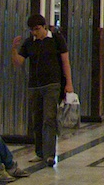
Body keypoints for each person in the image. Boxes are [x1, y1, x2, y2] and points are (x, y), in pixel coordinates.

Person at [11, 13, 73, 167]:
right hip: (34, 86)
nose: (35, 33)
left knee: (49, 119)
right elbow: (19, 62)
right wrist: (14, 49)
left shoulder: (57, 39)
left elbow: (65, 62)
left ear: (44, 26)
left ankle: (50, 154)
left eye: (37, 29)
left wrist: (69, 84)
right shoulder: (29, 43)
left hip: (52, 84)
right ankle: (39, 152)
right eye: (32, 30)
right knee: (37, 120)